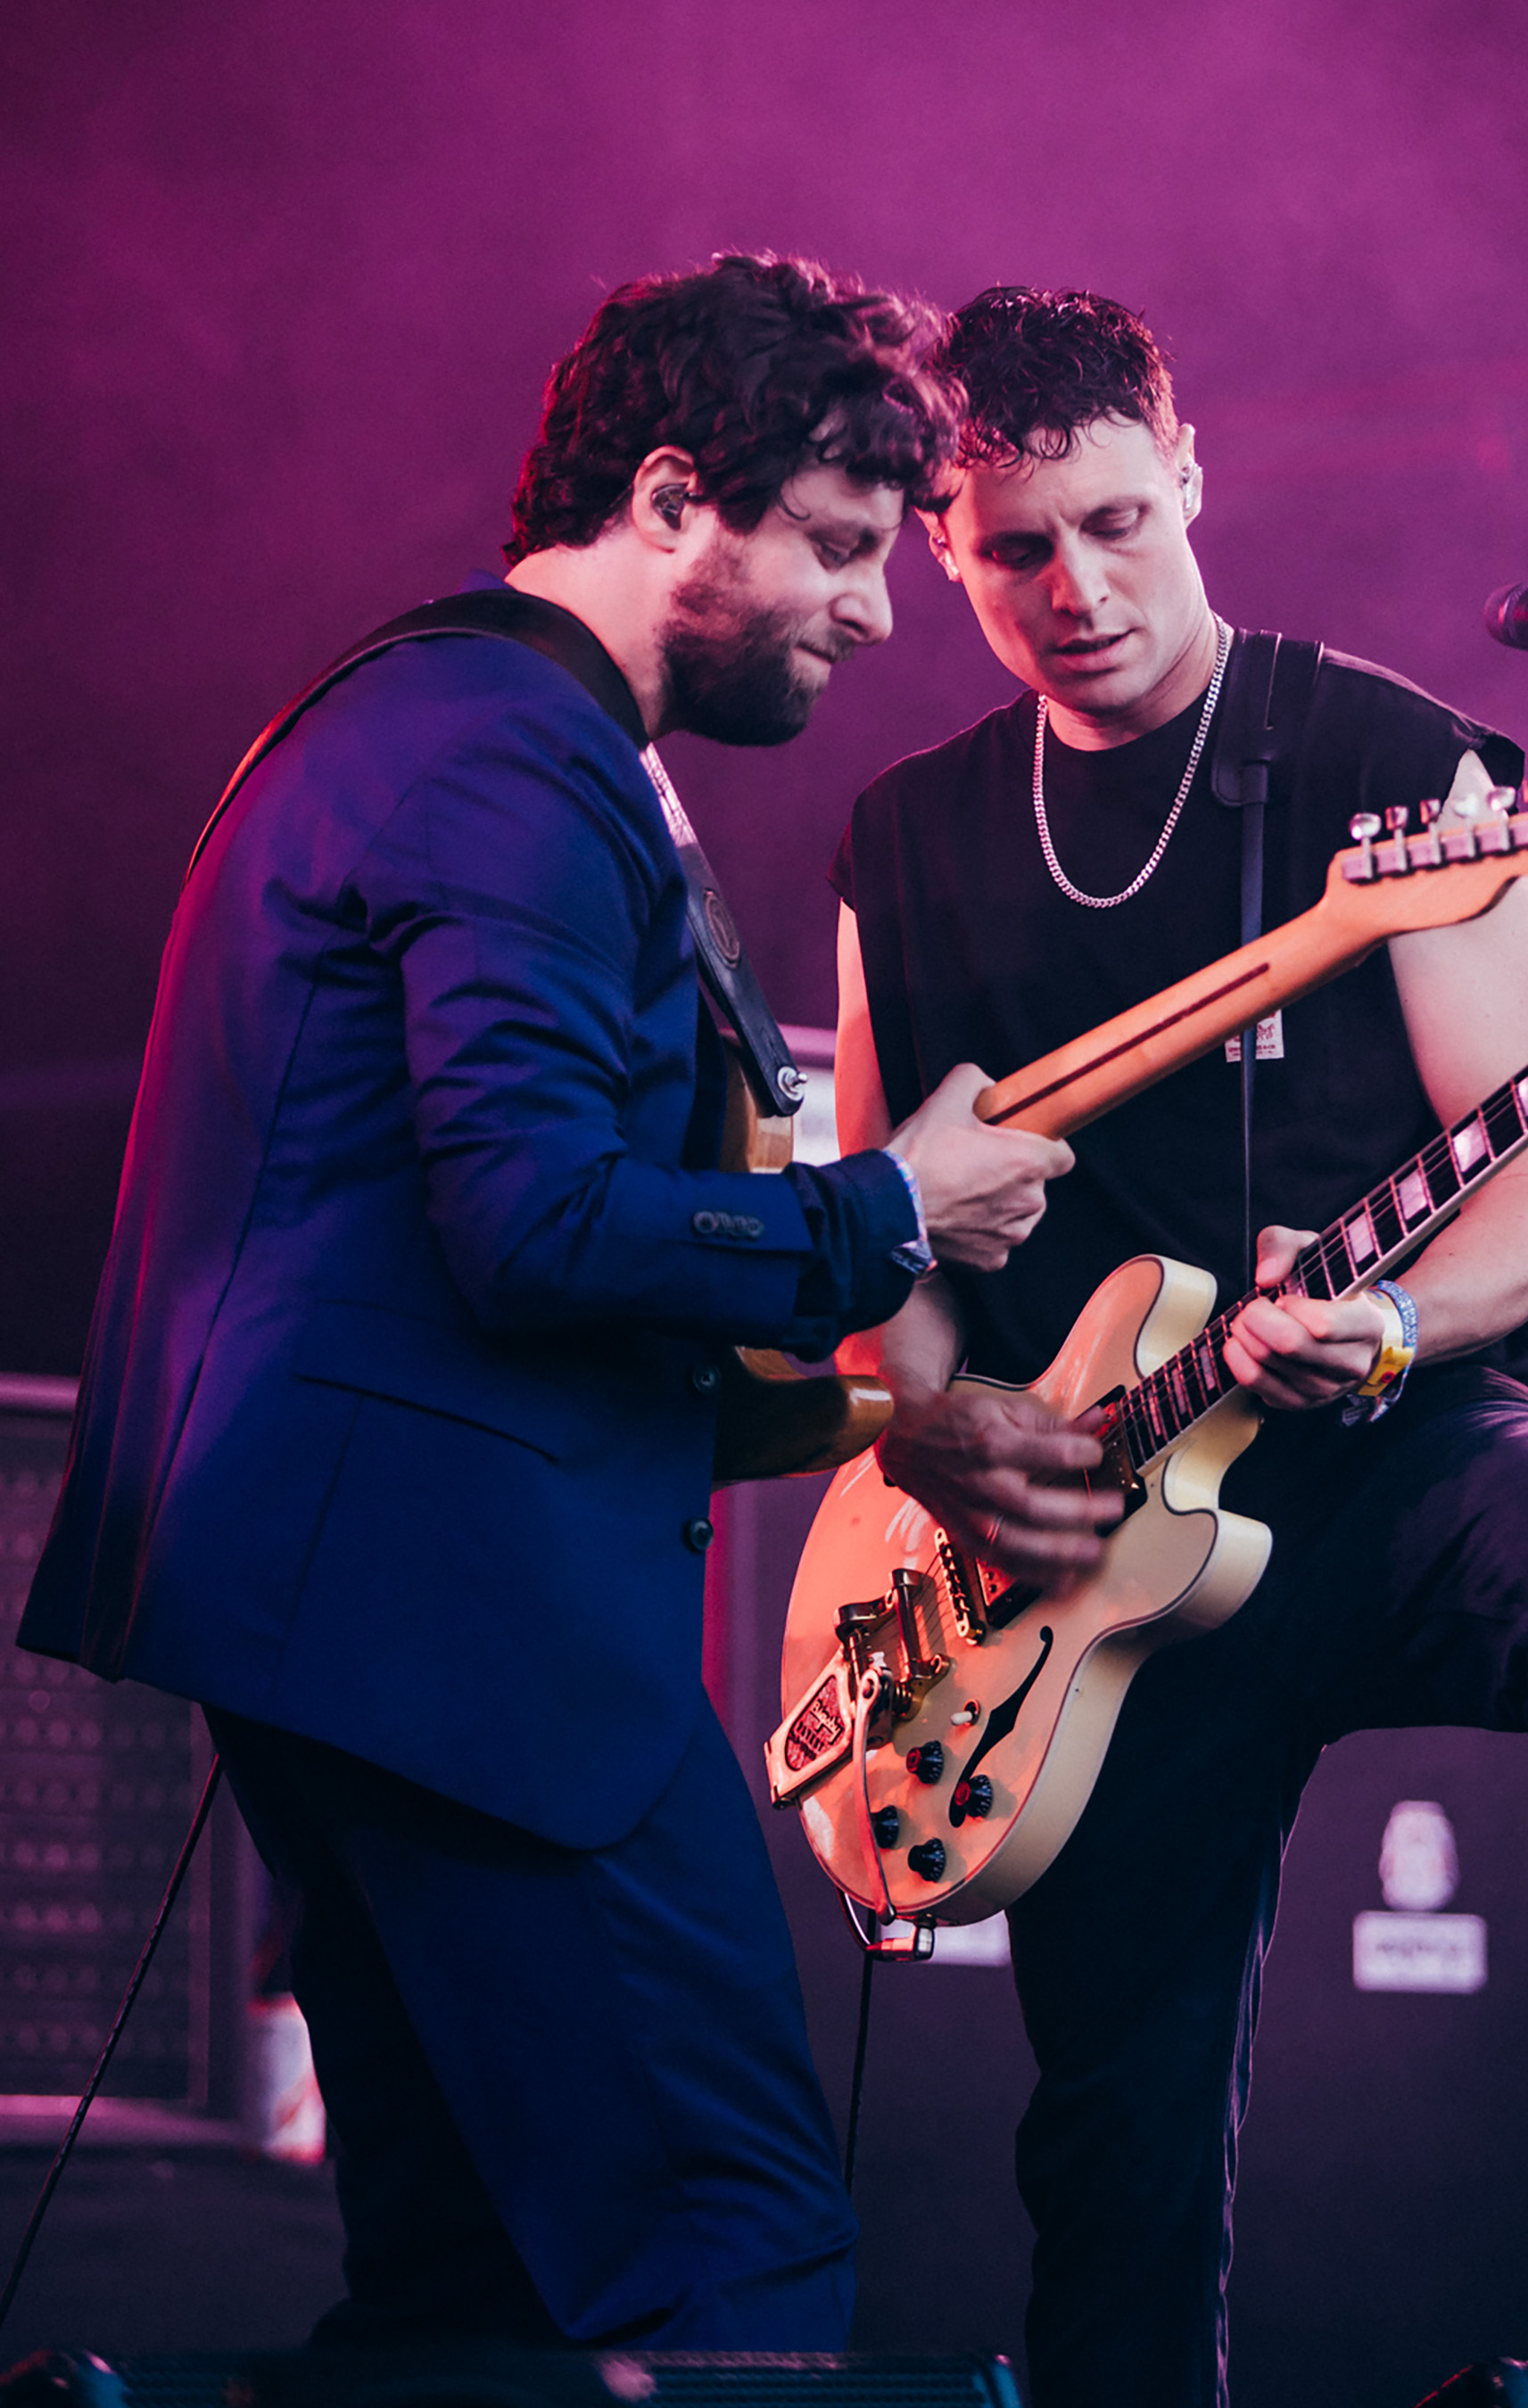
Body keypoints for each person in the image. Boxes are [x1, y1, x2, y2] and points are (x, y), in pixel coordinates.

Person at [19, 256, 1073, 2353]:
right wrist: (891, 1208)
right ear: (672, 497)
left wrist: (892, 1422)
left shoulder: (435, 719)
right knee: (734, 2258)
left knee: (466, 2294)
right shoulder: (513, 756)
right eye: (840, 546)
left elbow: (466, 1268)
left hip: (352, 1610)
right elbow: (531, 1225)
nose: (880, 610)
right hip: (458, 1623)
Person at [829, 286, 1528, 2404]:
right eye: (1016, 549)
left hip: (1394, 1446)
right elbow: (888, 1236)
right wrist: (958, 1434)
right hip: (1086, 1552)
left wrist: (1384, 1317)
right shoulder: (904, 841)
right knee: (1111, 2189)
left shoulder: (1399, 770)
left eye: (1120, 523)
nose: (1077, 590)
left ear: (1191, 478)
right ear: (942, 542)